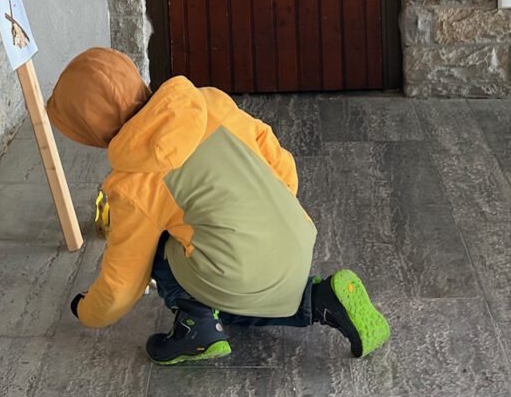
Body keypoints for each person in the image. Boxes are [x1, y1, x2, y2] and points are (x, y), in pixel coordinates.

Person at [47, 47, 391, 366]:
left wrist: (88, 310)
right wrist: (269, 207)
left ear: (88, 130)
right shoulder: (209, 101)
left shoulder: (133, 183)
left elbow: (124, 282)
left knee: (157, 246)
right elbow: (277, 158)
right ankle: (322, 299)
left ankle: (195, 326)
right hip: (295, 237)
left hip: (238, 269)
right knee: (234, 274)